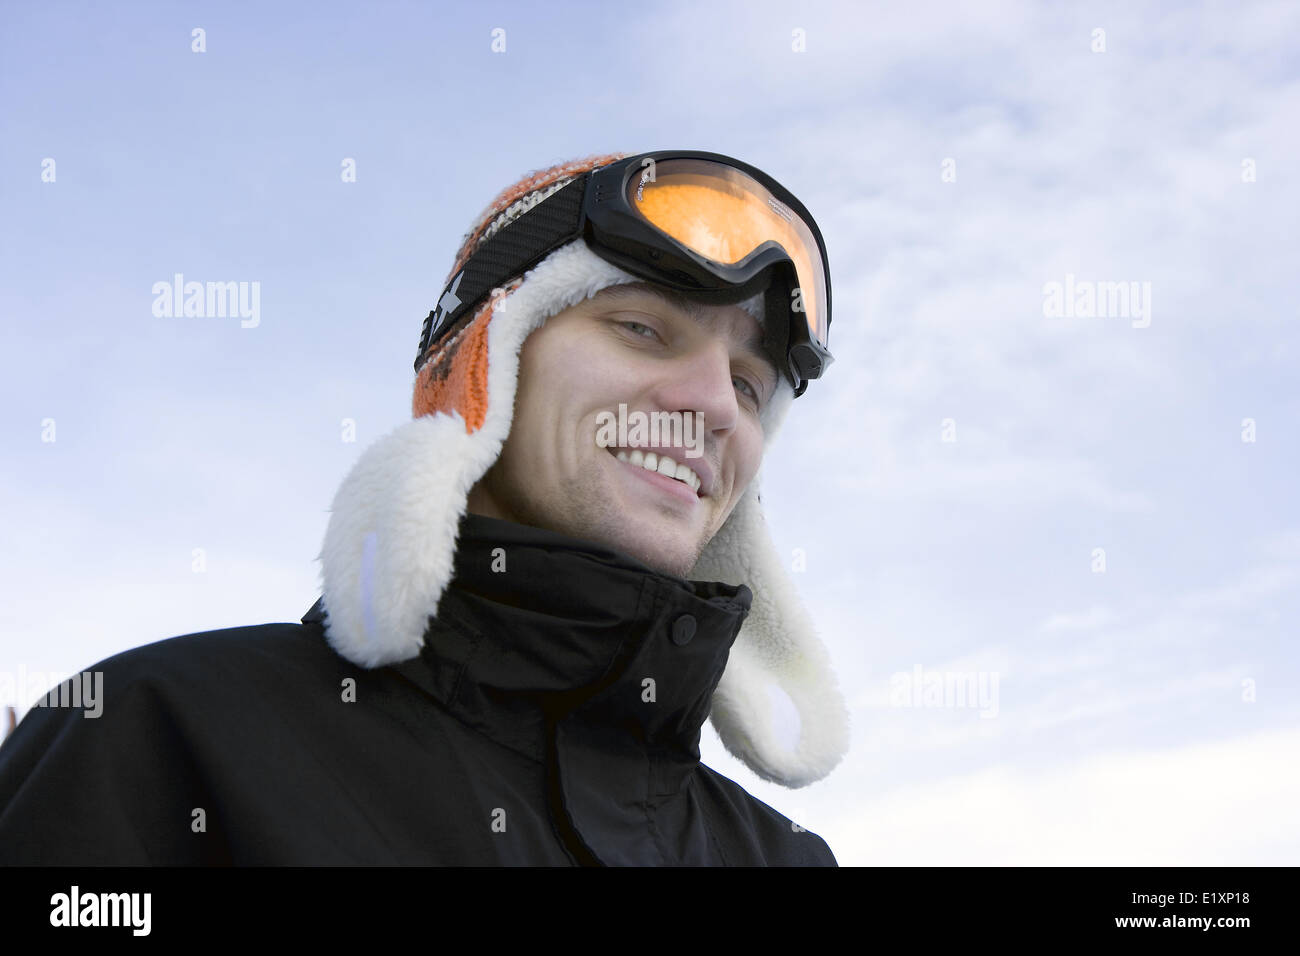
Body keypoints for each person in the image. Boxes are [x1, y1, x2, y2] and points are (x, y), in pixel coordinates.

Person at [0, 149, 850, 866]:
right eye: (641, 328)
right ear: (485, 370)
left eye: (748, 385)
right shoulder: (160, 743)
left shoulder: (781, 858)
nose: (713, 405)